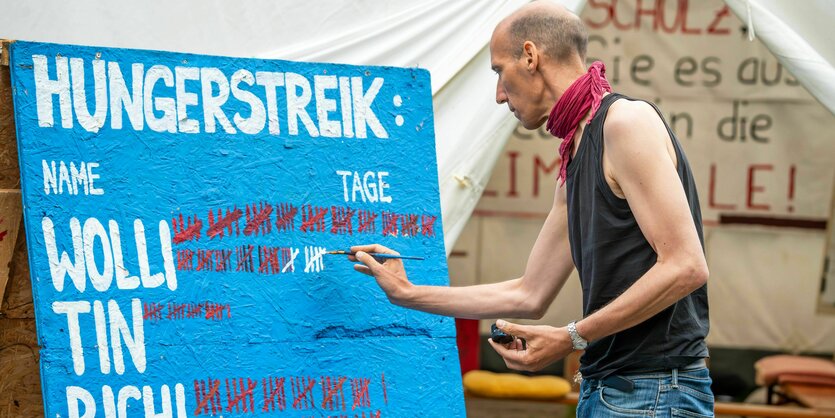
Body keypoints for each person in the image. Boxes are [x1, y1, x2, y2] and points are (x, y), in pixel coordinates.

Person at [350, 1, 713, 416]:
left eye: (499, 72)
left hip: (654, 393)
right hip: (612, 390)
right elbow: (529, 293)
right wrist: (409, 293)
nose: (499, 95)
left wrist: (573, 336)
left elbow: (685, 266)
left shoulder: (624, 123)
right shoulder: (576, 155)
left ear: (530, 56)